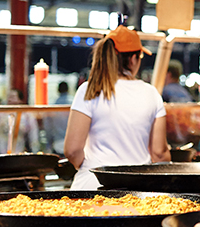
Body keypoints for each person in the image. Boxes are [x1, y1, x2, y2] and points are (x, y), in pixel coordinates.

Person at [64, 25, 170, 190]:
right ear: (133, 59)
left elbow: (72, 150)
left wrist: (88, 167)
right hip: (138, 191)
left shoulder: (90, 89)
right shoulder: (151, 93)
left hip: (91, 186)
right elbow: (160, 153)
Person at [45, 81, 73, 155]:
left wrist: (48, 144)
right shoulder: (74, 104)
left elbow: (48, 128)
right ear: (68, 90)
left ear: (58, 90)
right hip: (73, 144)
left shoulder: (53, 106)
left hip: (57, 143)